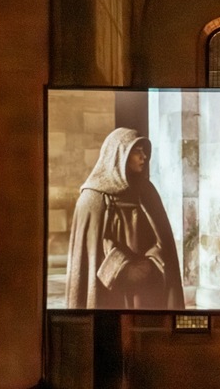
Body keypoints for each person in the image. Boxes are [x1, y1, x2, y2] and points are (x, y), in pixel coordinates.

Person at [66, 127, 185, 309]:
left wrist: (151, 262)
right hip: (109, 292)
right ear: (118, 155)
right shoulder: (92, 198)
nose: (143, 157)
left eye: (144, 151)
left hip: (146, 291)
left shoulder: (147, 192)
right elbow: (92, 252)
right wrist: (123, 267)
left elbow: (163, 242)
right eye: (136, 152)